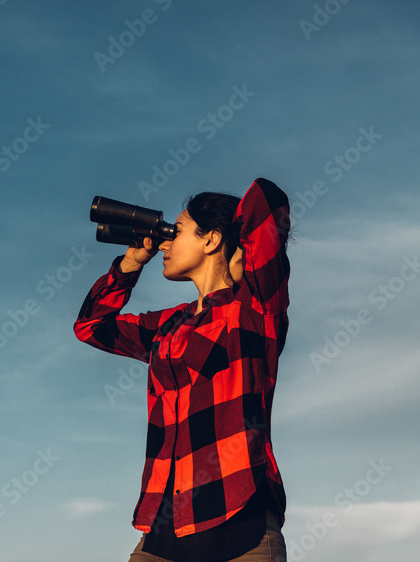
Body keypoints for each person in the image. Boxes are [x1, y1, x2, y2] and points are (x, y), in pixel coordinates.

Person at [73, 178, 292, 561]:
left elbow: (265, 205)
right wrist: (128, 265)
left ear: (211, 240)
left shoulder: (254, 308)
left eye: (176, 231)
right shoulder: (169, 325)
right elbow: (90, 327)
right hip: (164, 527)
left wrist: (237, 243)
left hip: (240, 523)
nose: (165, 244)